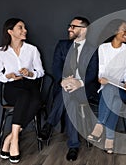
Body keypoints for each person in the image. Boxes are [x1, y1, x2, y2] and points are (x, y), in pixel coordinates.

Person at [38, 16, 99, 161]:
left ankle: (49, 124)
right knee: (69, 97)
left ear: (84, 30)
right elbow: (56, 67)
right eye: (69, 26)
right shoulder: (62, 45)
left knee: (69, 95)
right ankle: (73, 145)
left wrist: (79, 83)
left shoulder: (93, 49)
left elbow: (93, 71)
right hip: (64, 86)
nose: (69, 29)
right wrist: (63, 81)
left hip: (84, 88)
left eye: (73, 26)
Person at [0, 18, 45, 163]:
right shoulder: (0, 52)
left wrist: (30, 73)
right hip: (12, 87)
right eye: (20, 28)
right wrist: (8, 76)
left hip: (29, 84)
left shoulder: (32, 49)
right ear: (10, 32)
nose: (25, 30)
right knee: (23, 96)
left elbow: (41, 71)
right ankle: (14, 142)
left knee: (36, 102)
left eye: (25, 27)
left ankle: (10, 137)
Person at [87, 19, 126, 154]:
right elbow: (101, 71)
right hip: (106, 88)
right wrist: (100, 79)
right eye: (124, 30)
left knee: (115, 91)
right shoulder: (103, 48)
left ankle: (100, 124)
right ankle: (110, 139)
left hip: (123, 89)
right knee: (113, 95)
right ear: (115, 31)